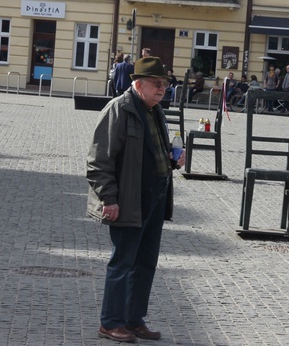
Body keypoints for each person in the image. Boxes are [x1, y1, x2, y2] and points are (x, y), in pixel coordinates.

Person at [86, 56, 185, 343]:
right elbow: (98, 161)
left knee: (145, 262)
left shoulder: (155, 111)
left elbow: (152, 151)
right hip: (129, 199)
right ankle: (110, 322)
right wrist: (109, 199)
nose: (162, 89)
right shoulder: (119, 109)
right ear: (138, 83)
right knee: (123, 262)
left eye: (164, 84)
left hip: (155, 197)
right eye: (156, 84)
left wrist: (172, 159)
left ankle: (133, 319)